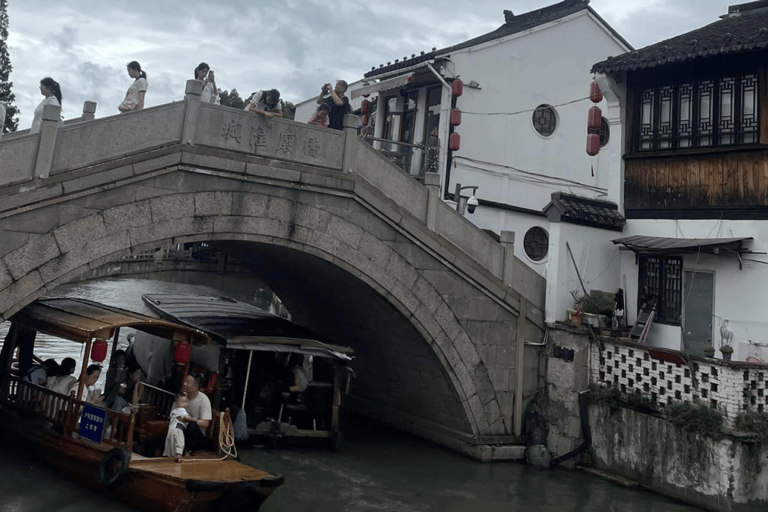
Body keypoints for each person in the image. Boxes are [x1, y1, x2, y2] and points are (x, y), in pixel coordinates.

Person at [181, 374, 212, 455]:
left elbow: (205, 424)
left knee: (192, 425)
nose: (184, 384)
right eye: (185, 381)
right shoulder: (181, 397)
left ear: (195, 386)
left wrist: (192, 419)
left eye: (188, 382)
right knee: (152, 441)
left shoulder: (204, 399)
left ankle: (187, 452)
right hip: (181, 431)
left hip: (197, 435)